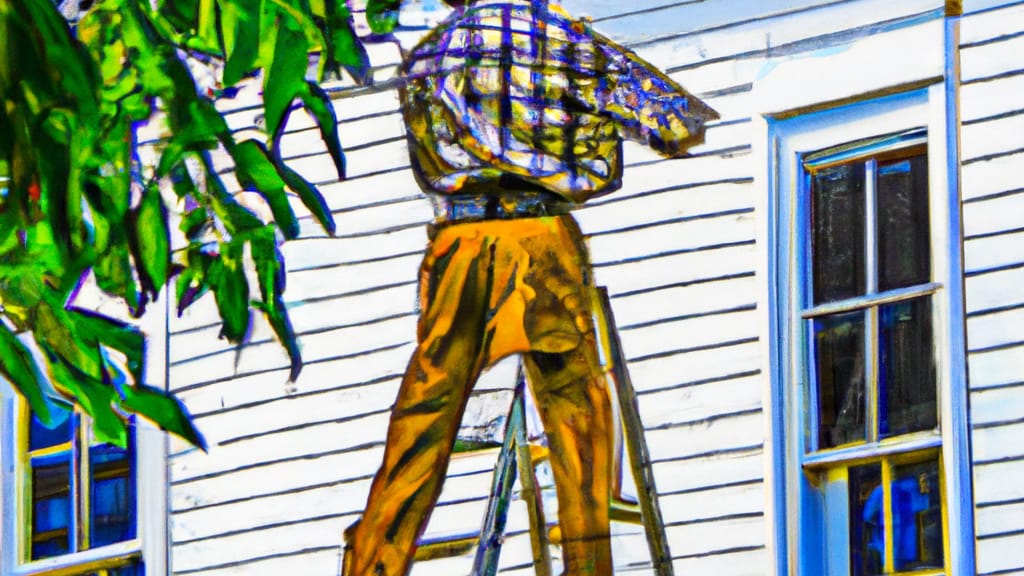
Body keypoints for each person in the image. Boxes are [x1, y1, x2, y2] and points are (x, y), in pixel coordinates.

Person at [343, 1, 717, 574]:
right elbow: (677, 124)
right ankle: (588, 562)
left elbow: (425, 150)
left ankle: (372, 561)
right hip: (544, 234)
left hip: (461, 240)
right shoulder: (569, 41)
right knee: (576, 406)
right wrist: (579, 133)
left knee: (426, 411)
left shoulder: (428, 57)